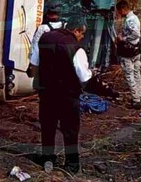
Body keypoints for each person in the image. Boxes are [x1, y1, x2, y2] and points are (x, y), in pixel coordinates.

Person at [38, 16, 93, 174]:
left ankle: (47, 158)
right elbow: (84, 77)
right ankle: (72, 164)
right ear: (76, 31)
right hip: (67, 95)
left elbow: (35, 61)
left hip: (47, 92)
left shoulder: (45, 37)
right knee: (70, 129)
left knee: (48, 126)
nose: (82, 37)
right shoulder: (76, 48)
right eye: (82, 34)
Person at [26, 0, 64, 81]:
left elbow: (35, 48)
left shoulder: (42, 28)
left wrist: (32, 66)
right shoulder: (66, 27)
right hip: (61, 68)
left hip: (45, 67)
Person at [115, 0, 141, 109]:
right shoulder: (134, 18)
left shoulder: (130, 20)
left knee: (129, 75)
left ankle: (136, 99)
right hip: (136, 50)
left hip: (129, 52)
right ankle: (139, 96)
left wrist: (123, 38)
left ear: (123, 9)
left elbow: (136, 33)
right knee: (137, 74)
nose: (119, 14)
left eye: (119, 11)